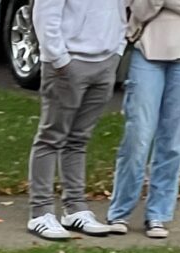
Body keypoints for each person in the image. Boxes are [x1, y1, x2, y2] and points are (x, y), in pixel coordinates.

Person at [26, 0, 127, 239]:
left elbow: (121, 11)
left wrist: (117, 50)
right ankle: (40, 212)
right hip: (67, 64)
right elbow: (45, 16)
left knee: (79, 139)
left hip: (105, 62)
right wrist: (60, 59)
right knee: (51, 137)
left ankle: (75, 208)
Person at [106, 0, 180, 238]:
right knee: (138, 135)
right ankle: (120, 211)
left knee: (173, 142)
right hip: (146, 51)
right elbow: (139, 9)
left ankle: (158, 213)